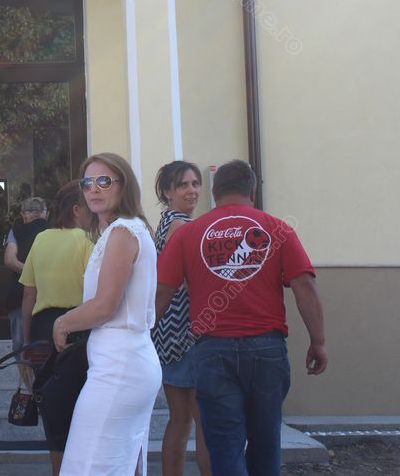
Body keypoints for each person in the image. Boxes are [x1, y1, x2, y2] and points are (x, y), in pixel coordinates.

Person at [157, 160, 327, 476]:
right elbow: (305, 285)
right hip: (267, 350)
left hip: (212, 351)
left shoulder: (189, 233)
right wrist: (318, 341)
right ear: (252, 191)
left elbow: (161, 292)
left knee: (224, 446)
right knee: (265, 443)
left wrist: (140, 336)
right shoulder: (277, 229)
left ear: (214, 192)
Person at [52, 153, 161, 476]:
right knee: (117, 465)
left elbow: (105, 306)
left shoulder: (123, 232)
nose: (94, 189)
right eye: (87, 183)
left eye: (104, 181)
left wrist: (62, 323)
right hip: (123, 361)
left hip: (120, 366)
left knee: (88, 467)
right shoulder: (123, 231)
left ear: (123, 185)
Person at [18, 180, 94, 476]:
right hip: (78, 328)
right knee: (82, 409)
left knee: (53, 412)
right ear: (76, 209)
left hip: (41, 329)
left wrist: (26, 340)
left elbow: (29, 294)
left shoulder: (41, 239)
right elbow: (94, 293)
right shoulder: (87, 241)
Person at [152, 161, 211, 476]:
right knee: (204, 419)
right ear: (167, 192)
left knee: (180, 419)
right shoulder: (183, 226)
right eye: (183, 185)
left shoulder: (167, 222)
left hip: (167, 329)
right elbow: (191, 279)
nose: (192, 191)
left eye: (195, 183)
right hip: (185, 330)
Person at [4, 196, 49, 356]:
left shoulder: (16, 231)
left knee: (21, 345)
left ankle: (26, 373)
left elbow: (10, 260)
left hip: (20, 293)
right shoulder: (55, 230)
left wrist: (30, 275)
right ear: (46, 213)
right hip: (50, 294)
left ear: (24, 214)